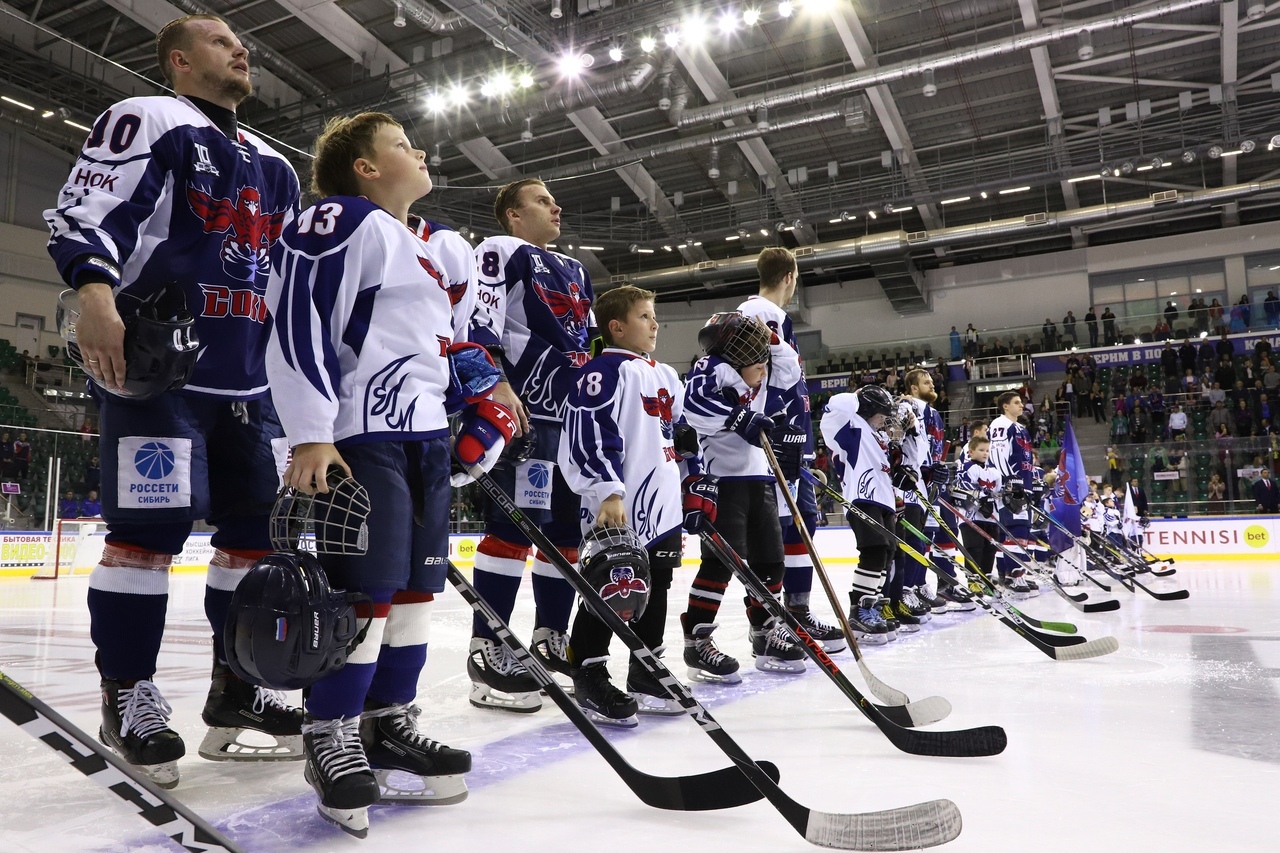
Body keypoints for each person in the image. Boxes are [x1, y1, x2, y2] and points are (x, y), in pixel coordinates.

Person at [44, 13, 302, 789]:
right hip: (157, 370)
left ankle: (237, 689)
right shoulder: (151, 118)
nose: (242, 50)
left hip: (248, 383)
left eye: (242, 44)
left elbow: (286, 283)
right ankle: (128, 691)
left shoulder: (277, 166)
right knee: (148, 532)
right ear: (181, 62)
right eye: (224, 43)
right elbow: (85, 211)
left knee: (254, 539)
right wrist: (94, 291)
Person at [266, 111, 483, 835]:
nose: (419, 151)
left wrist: (473, 414)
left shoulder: (415, 245)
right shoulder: (342, 218)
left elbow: (431, 350)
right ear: (363, 167)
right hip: (362, 433)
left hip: (421, 439)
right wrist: (309, 431)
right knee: (367, 587)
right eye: (400, 144)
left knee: (418, 587)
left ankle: (386, 720)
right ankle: (330, 728)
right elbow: (298, 316)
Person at [466, 178, 595, 712]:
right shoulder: (499, 251)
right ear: (513, 216)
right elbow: (480, 318)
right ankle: (486, 651)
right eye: (541, 201)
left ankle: (548, 640)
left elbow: (583, 343)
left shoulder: (577, 270)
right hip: (528, 416)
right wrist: (494, 383)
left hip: (571, 419)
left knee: (565, 539)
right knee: (512, 530)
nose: (555, 206)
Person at [558, 285, 693, 725]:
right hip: (621, 502)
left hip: (664, 503)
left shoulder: (666, 375)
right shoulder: (603, 372)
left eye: (655, 316)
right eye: (644, 316)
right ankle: (589, 673)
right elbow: (590, 431)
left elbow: (677, 437)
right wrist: (607, 490)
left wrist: (694, 485)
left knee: (657, 587)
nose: (655, 324)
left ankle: (646, 669)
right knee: (610, 585)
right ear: (616, 327)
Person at [678, 311, 806, 678]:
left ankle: (765, 632)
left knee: (771, 561)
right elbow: (695, 407)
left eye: (761, 353)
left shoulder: (760, 375)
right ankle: (697, 641)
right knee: (721, 562)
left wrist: (776, 342)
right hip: (722, 482)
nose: (762, 363)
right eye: (752, 354)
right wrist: (736, 418)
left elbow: (791, 372)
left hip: (759, 479)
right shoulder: (712, 368)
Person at [737, 248, 843, 651]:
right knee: (775, 536)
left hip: (790, 445)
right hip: (774, 443)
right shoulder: (761, 313)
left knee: (801, 526)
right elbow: (765, 384)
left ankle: (795, 614)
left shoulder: (774, 316)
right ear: (790, 277)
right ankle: (769, 623)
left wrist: (806, 453)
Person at [820, 383, 902, 643]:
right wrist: (861, 395)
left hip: (883, 500)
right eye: (880, 413)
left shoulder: (875, 435)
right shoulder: (850, 426)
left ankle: (874, 605)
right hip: (861, 496)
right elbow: (835, 405)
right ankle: (860, 610)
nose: (883, 421)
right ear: (867, 409)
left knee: (887, 552)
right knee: (874, 549)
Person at [988, 391, 1037, 593]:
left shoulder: (1020, 428)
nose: (1021, 406)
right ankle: (1013, 574)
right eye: (1016, 403)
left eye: (1021, 402)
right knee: (1015, 529)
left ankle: (1015, 573)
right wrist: (1009, 483)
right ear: (1005, 406)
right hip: (1011, 486)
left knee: (1023, 530)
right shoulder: (1000, 424)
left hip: (1022, 485)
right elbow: (998, 455)